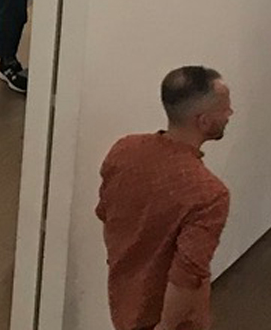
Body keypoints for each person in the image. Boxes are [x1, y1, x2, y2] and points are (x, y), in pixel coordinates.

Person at [98, 66, 234, 330]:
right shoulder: (209, 195)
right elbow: (185, 280)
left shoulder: (124, 150)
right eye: (225, 108)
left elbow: (107, 216)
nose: (230, 113)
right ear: (204, 121)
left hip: (123, 301)